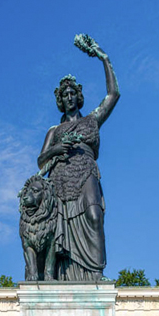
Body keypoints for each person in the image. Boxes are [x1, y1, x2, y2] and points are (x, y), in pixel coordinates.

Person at [36, 34, 120, 281]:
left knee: (94, 216)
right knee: (61, 232)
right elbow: (41, 160)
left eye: (72, 93)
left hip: (86, 172)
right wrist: (57, 148)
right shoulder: (54, 130)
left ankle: (95, 272)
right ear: (60, 100)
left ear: (78, 96)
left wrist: (103, 57)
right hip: (61, 179)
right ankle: (64, 277)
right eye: (65, 95)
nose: (69, 97)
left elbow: (113, 94)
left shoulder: (92, 120)